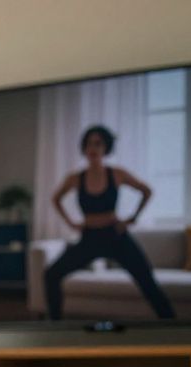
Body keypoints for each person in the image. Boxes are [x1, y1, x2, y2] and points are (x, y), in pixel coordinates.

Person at [44, 124, 175, 320]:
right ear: (84, 148)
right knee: (50, 275)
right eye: (89, 144)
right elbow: (55, 199)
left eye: (98, 144)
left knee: (147, 281)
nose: (93, 148)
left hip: (115, 236)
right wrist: (71, 222)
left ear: (106, 148)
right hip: (89, 238)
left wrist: (132, 218)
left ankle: (172, 328)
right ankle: (55, 327)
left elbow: (146, 191)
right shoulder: (75, 178)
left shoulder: (116, 174)